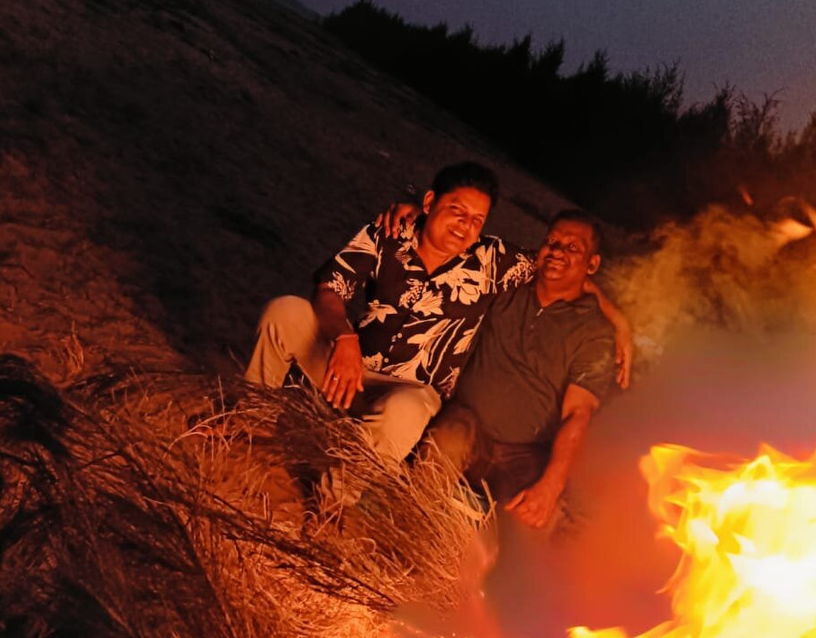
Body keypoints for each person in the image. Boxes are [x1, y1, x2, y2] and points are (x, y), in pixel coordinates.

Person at [245, 162, 630, 470]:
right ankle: (250, 425)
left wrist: (619, 322)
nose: (465, 226)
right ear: (429, 202)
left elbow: (561, 267)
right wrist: (344, 337)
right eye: (456, 211)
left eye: (477, 219)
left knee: (407, 410)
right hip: (348, 366)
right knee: (286, 311)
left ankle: (338, 500)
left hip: (409, 394)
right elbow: (331, 289)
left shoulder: (493, 261)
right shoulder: (389, 233)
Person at [426, 209, 617, 529]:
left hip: (524, 455)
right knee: (444, 442)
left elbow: (578, 413)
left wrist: (551, 484)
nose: (557, 251)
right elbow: (450, 245)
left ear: (592, 264)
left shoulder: (595, 334)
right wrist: (414, 216)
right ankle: (409, 525)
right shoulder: (508, 285)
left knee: (539, 523)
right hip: (467, 425)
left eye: (573, 247)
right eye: (552, 241)